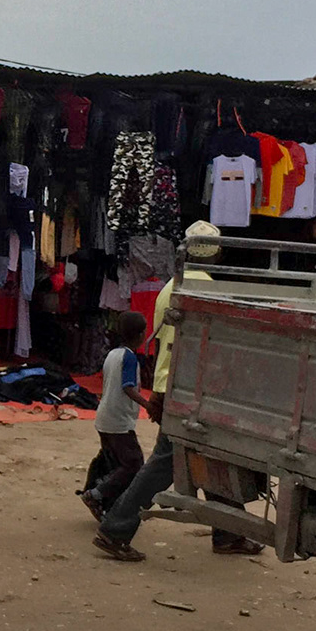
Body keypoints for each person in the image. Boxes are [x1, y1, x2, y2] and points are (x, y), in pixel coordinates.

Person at [94, 221, 266, 560]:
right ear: (215, 254)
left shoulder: (171, 287)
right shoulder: (208, 291)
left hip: (174, 389)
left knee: (212, 457)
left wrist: (159, 392)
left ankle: (229, 533)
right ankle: (115, 529)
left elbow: (165, 346)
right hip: (193, 394)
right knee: (164, 465)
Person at [79, 311, 155, 521]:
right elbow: (128, 387)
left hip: (104, 416)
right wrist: (147, 405)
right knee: (133, 464)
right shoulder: (129, 358)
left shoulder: (113, 354)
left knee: (114, 462)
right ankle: (96, 495)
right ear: (140, 335)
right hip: (118, 422)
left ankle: (108, 504)